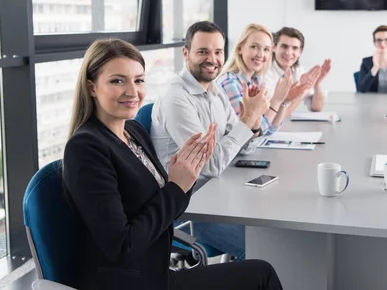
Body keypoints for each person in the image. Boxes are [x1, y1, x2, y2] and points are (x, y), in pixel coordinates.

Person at [62, 38, 283, 290]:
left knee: (261, 271)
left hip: (155, 273)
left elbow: (166, 208)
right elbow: (123, 246)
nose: (132, 92)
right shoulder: (86, 148)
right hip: (131, 282)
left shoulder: (132, 132)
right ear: (92, 87)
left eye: (139, 80)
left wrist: (186, 176)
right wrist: (176, 186)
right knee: (262, 274)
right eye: (117, 80)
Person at [152, 21, 270, 260]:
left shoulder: (214, 91)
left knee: (276, 232)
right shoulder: (176, 98)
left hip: (221, 195)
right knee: (268, 249)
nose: (213, 59)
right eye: (203, 51)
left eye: (218, 52)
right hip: (193, 210)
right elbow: (211, 165)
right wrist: (247, 119)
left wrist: (254, 122)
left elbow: (243, 148)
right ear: (186, 53)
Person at [217, 23, 312, 135]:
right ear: (239, 49)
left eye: (266, 49)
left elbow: (269, 129)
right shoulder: (230, 83)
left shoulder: (256, 81)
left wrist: (283, 102)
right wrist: (276, 101)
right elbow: (247, 136)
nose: (261, 54)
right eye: (254, 47)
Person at [263, 27, 330, 112]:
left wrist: (316, 83)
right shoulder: (265, 72)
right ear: (274, 47)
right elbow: (273, 113)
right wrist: (303, 90)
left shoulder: (298, 70)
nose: (288, 53)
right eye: (284, 46)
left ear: (300, 52)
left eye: (294, 48)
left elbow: (316, 108)